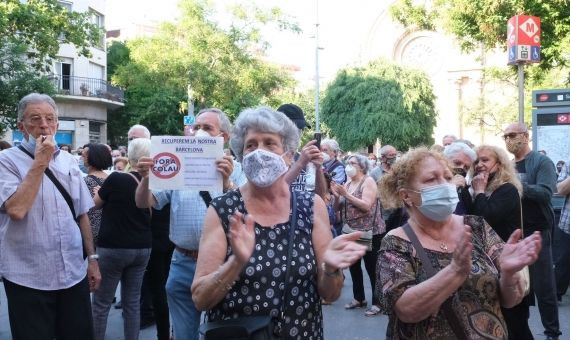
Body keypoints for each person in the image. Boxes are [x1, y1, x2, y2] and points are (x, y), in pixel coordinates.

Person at [191, 107, 367, 339]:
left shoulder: (311, 206)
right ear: (241, 154)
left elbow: (331, 294)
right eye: (251, 145)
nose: (259, 151)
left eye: (270, 143)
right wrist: (236, 263)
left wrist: (331, 269)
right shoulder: (223, 209)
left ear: (289, 153)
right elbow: (201, 299)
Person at [376, 147, 542, 339]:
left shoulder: (477, 226)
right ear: (406, 195)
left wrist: (509, 274)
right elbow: (406, 310)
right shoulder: (395, 243)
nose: (445, 185)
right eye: (431, 179)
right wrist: (455, 271)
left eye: (447, 178)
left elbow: (510, 301)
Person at [135, 108, 246, 340]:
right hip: (183, 262)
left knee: (223, 333)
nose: (199, 132)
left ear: (223, 137)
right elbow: (144, 202)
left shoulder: (237, 171)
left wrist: (227, 184)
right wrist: (145, 179)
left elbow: (247, 215)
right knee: (185, 335)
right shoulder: (177, 167)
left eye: (207, 128)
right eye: (196, 127)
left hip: (224, 265)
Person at [0, 93, 101, 339]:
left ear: (57, 124)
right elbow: (16, 209)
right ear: (22, 127)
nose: (44, 125)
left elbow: (82, 214)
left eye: (50, 118)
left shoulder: (68, 161)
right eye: (35, 119)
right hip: (27, 275)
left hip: (72, 273)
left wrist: (92, 259)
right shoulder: (6, 161)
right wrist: (40, 162)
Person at [504, 122, 561, 340]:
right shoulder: (508, 165)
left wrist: (517, 187)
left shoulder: (541, 161)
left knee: (544, 286)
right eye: (505, 136)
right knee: (518, 284)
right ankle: (521, 331)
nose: (509, 140)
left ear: (525, 136)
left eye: (512, 135)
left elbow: (547, 193)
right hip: (515, 232)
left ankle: (552, 333)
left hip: (538, 231)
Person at [91, 138, 152, 340]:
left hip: (113, 248)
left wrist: (96, 193)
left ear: (130, 156)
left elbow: (96, 204)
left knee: (101, 302)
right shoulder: (153, 182)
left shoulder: (116, 178)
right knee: (132, 302)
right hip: (142, 247)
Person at [470, 145, 533, 339]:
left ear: (500, 163)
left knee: (516, 323)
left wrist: (479, 192)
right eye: (476, 161)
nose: (479, 165)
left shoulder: (507, 189)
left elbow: (484, 218)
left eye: (485, 160)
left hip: (508, 262)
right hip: (490, 264)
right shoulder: (483, 187)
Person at [331, 154, 384, 316]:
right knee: (353, 266)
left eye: (352, 163)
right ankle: (359, 298)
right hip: (352, 231)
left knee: (371, 267)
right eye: (348, 162)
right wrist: (337, 196)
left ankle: (378, 302)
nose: (348, 165)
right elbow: (337, 208)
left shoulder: (368, 181)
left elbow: (366, 206)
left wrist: (345, 195)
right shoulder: (347, 182)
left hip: (370, 232)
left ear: (361, 166)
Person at [278, 103, 325, 196]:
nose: (298, 133)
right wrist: (300, 163)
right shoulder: (270, 158)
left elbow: (320, 197)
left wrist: (318, 168)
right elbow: (275, 193)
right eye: (294, 128)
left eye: (301, 129)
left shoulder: (304, 158)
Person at [83, 143, 112, 245]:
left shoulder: (85, 182)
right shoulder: (112, 179)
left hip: (90, 231)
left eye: (84, 155)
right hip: (109, 230)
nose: (81, 158)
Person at [443, 142, 476, 215]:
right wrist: (450, 187)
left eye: (466, 167)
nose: (461, 168)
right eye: (457, 163)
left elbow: (470, 215)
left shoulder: (464, 189)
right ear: (445, 160)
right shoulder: (431, 183)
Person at [555, 160, 570, 302]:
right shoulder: (569, 164)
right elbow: (560, 190)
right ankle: (557, 292)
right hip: (568, 224)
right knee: (563, 261)